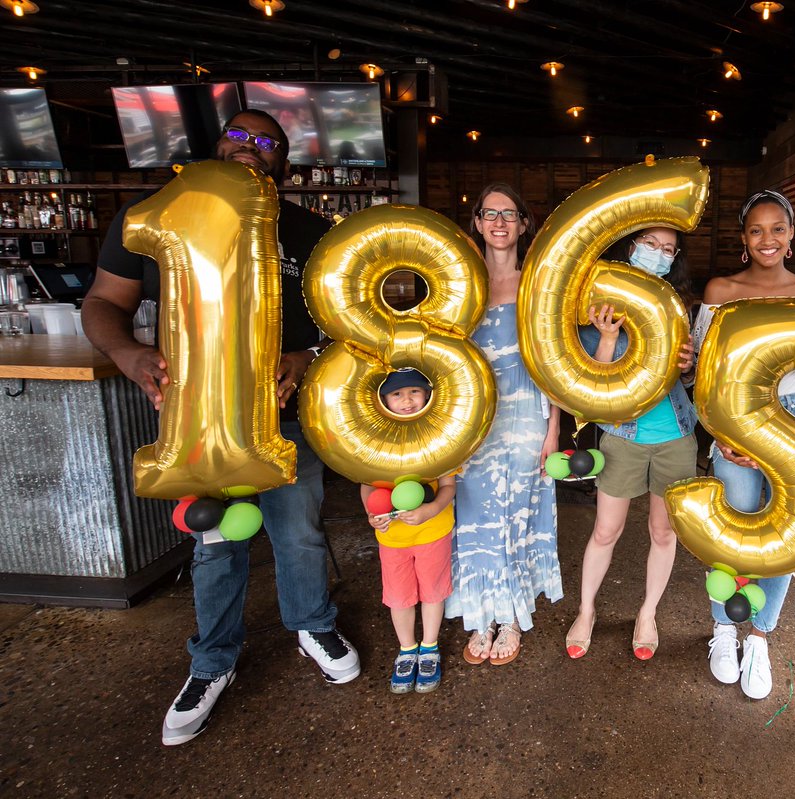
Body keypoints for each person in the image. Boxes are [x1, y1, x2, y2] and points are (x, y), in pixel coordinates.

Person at [82, 109, 360, 747]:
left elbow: (344, 325)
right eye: (240, 135)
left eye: (268, 143)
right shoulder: (158, 211)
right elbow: (101, 301)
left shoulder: (310, 230)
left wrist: (306, 356)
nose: (251, 147)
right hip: (196, 423)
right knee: (215, 548)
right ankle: (212, 663)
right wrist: (127, 356)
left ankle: (313, 627)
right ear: (217, 145)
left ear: (283, 166)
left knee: (300, 535)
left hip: (283, 419)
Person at [694, 189, 795, 700]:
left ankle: (760, 637)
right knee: (735, 530)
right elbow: (705, 373)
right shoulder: (722, 289)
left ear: (792, 235)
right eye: (756, 230)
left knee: (790, 534)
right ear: (744, 238)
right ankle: (724, 630)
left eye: (778, 229)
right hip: (736, 417)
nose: (767, 238)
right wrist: (719, 432)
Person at [564, 228, 697, 661]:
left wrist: (690, 364)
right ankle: (585, 612)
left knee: (663, 531)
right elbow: (591, 386)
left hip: (676, 434)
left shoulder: (677, 306)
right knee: (606, 530)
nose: (657, 254)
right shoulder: (599, 305)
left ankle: (647, 613)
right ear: (631, 246)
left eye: (667, 250)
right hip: (623, 436)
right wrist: (605, 335)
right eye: (650, 245)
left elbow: (693, 380)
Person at [444, 183, 561, 666]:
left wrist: (554, 428)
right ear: (476, 221)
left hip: (526, 411)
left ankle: (511, 615)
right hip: (472, 414)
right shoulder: (457, 282)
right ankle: (479, 615)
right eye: (489, 213)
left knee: (519, 508)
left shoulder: (539, 281)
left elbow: (555, 362)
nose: (498, 222)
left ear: (523, 224)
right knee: (473, 513)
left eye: (509, 214)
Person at [361, 369, 455, 695]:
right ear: (383, 399)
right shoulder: (376, 439)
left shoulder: (436, 435)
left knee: (432, 591)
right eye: (397, 394)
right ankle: (406, 648)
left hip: (433, 532)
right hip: (393, 538)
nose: (407, 400)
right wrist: (372, 514)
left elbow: (447, 484)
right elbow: (367, 484)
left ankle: (429, 647)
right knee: (399, 597)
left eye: (415, 391)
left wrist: (430, 510)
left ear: (427, 394)